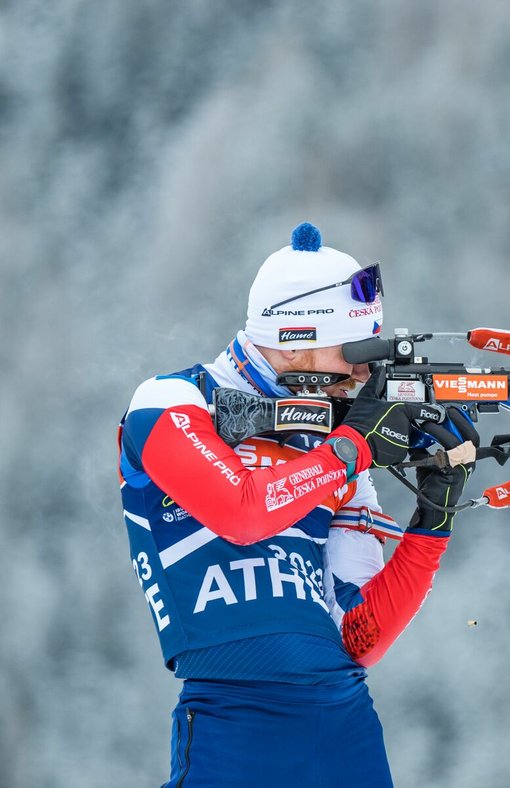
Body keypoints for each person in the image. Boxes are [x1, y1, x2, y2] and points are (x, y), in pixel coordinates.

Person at [118, 222, 477, 787]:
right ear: (296, 335)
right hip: (231, 721)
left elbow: (358, 637)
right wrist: (351, 449)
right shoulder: (170, 400)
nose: (364, 374)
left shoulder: (335, 448)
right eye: (356, 351)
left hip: (345, 723)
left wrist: (434, 514)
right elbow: (240, 512)